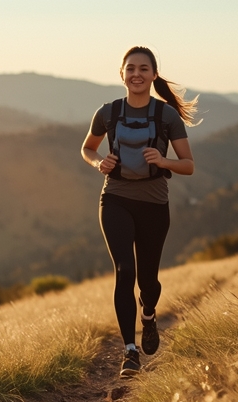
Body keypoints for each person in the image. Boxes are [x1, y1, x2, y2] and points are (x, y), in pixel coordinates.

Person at [80, 46, 196, 377]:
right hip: (115, 199)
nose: (137, 74)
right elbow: (87, 148)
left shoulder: (166, 116)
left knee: (148, 281)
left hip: (154, 205)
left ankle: (148, 313)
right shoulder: (108, 112)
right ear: (121, 74)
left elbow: (188, 165)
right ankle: (129, 352)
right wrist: (99, 162)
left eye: (144, 69)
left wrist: (163, 161)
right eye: (130, 68)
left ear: (153, 75)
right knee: (123, 271)